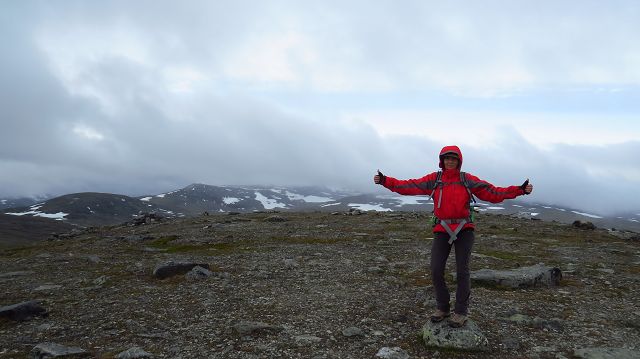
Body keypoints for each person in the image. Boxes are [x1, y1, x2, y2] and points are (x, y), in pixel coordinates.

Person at [373, 145, 533, 327]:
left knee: (462, 271)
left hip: (464, 229)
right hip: (442, 229)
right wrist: (385, 180)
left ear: (459, 161)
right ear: (442, 161)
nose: (450, 161)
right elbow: (408, 186)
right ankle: (443, 307)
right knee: (435, 269)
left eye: (453, 159)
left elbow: (493, 193)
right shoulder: (435, 179)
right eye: (447, 158)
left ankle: (461, 311)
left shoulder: (467, 180)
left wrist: (519, 190)